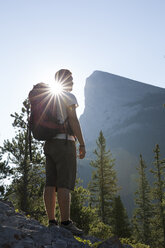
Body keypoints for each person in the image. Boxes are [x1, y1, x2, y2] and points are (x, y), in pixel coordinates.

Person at [43, 69, 86, 235]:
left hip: (49, 143)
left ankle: (51, 221)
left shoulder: (48, 97)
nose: (73, 82)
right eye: (71, 79)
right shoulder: (69, 96)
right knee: (64, 183)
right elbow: (73, 120)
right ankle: (66, 222)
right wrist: (81, 143)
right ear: (65, 80)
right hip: (65, 143)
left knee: (50, 182)